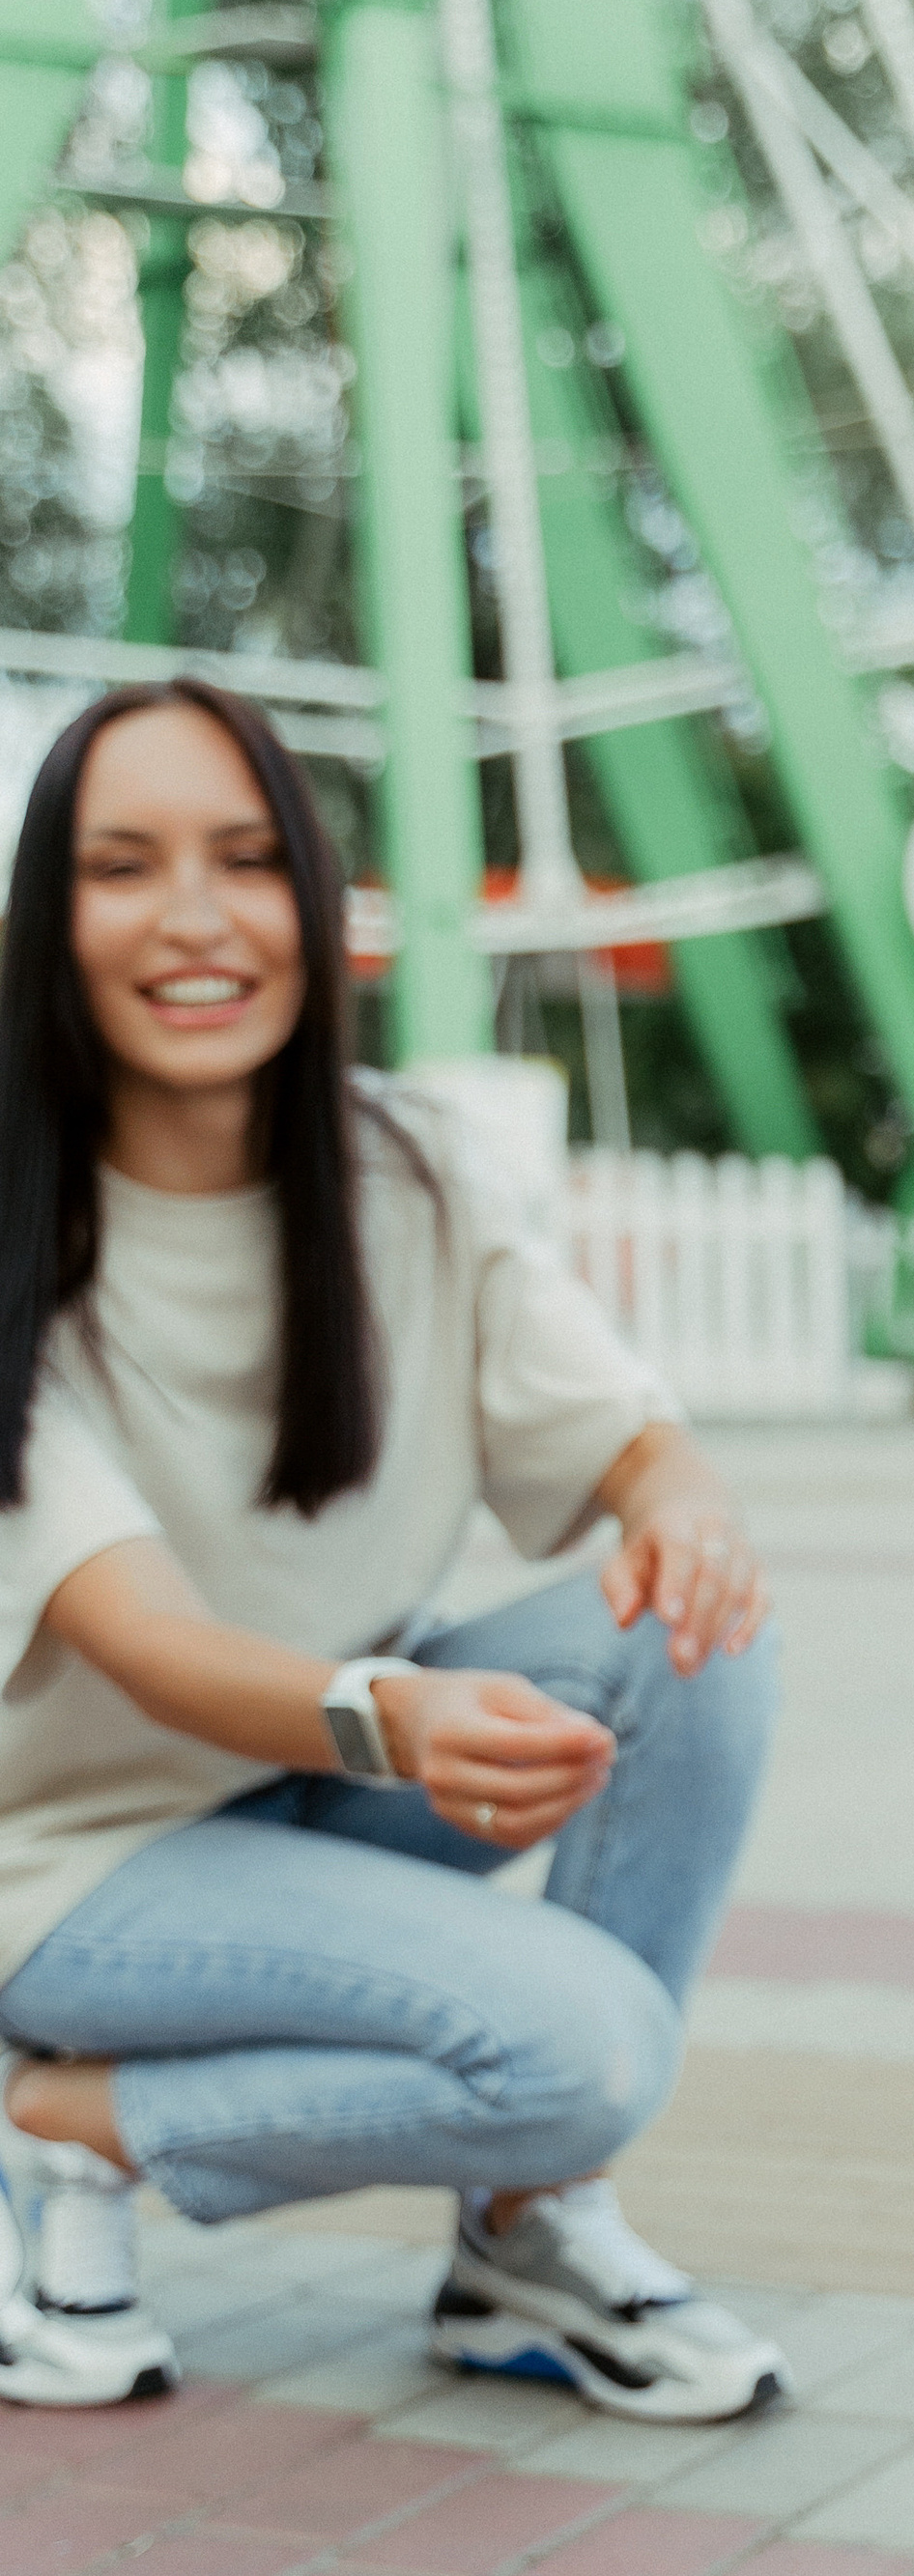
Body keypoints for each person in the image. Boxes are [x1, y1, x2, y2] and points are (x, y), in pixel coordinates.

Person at [0, 677, 785, 2424]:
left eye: (247, 860)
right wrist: (402, 1723)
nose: (196, 917)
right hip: (76, 1866)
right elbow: (138, 1640)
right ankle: (59, 2113)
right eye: (125, 867)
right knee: (582, 2048)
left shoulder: (410, 1173)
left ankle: (525, 2225)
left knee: (693, 1632)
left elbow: (629, 1443)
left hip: (319, 1781)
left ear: (314, 903)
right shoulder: (13, 1237)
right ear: (49, 922)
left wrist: (691, 1510)